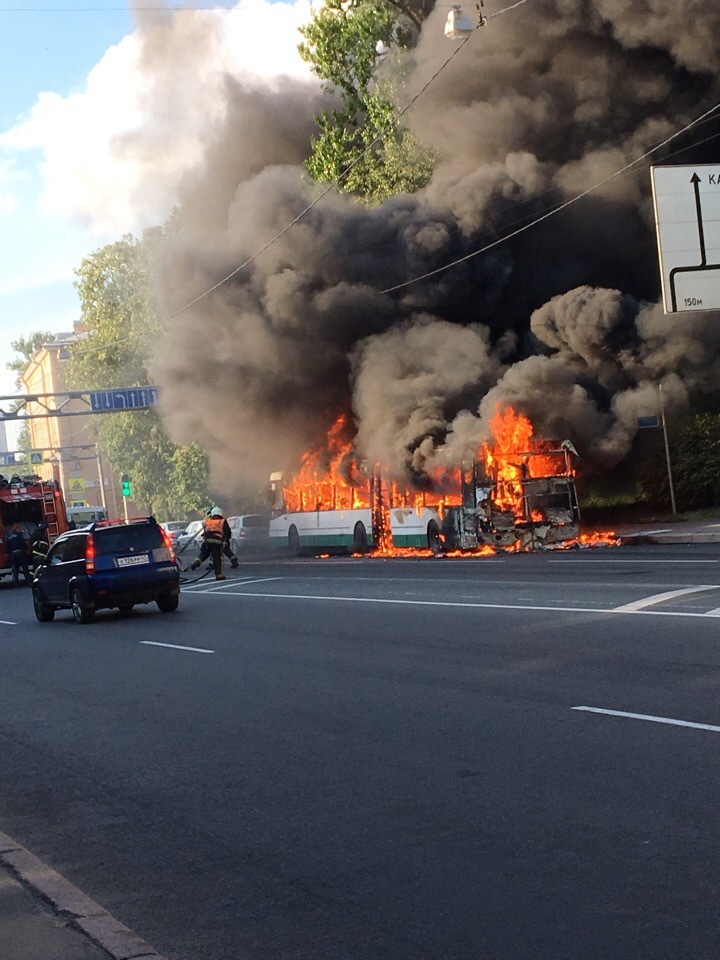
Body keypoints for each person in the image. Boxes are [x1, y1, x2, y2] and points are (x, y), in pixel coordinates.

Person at [190, 506, 233, 580]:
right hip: (217, 541)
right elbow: (227, 532)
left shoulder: (208, 521)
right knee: (217, 557)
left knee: (204, 553)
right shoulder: (222, 521)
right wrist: (226, 539)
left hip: (207, 541)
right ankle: (219, 575)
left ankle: (197, 562)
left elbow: (205, 531)